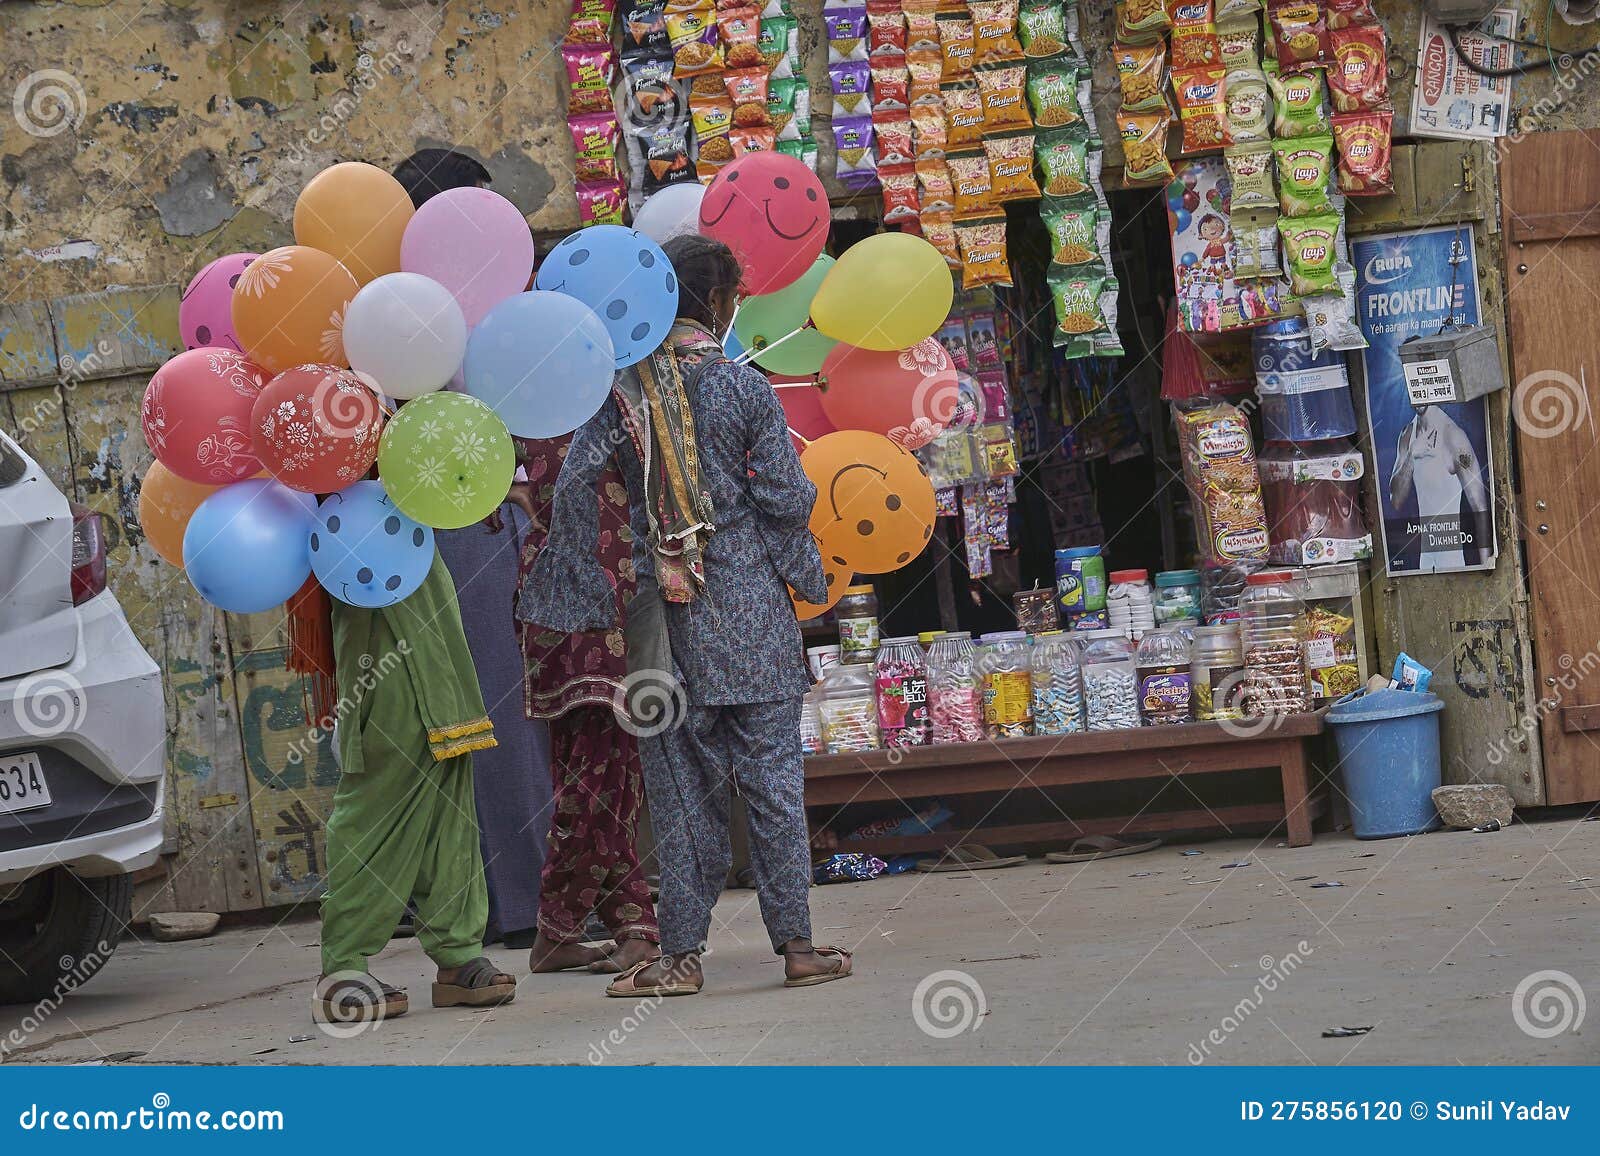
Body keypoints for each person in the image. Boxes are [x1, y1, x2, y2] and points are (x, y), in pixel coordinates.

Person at [521, 234, 853, 996]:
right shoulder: (743, 389)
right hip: (754, 622)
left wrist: (579, 585)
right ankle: (798, 949)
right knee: (773, 788)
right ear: (726, 302)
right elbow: (785, 500)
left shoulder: (622, 396)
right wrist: (800, 573)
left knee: (677, 793)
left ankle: (680, 960)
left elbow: (573, 486)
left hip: (662, 631)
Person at [391, 148, 553, 948]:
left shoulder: (424, 305)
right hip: (472, 524)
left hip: (455, 523)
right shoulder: (434, 313)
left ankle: (496, 897)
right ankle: (519, 903)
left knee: (489, 713)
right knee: (502, 711)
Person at [315, 552, 516, 1021]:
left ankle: (457, 954)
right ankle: (342, 965)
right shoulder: (330, 481)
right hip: (369, 592)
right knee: (378, 799)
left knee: (450, 797)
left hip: (426, 581)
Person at [516, 437, 661, 975]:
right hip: (589, 605)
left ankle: (618, 927)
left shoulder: (562, 403)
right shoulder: (595, 403)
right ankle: (567, 929)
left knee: (595, 775)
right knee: (601, 778)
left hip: (587, 598)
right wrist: (519, 493)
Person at [1389, 402, 1489, 572]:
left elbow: (1480, 508)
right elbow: (1396, 501)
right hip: (1425, 559)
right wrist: (1411, 457)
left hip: (1452, 560)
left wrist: (1487, 568)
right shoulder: (1407, 434)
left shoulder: (1453, 436)